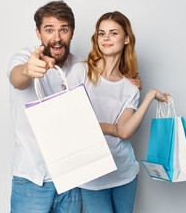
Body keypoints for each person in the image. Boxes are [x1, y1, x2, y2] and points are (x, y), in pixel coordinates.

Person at [7, 1, 141, 212]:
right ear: (38, 32)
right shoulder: (25, 57)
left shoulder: (81, 67)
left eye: (64, 29)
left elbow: (110, 79)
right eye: (49, 30)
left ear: (72, 32)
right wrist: (27, 71)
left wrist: (132, 78)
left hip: (74, 177)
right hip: (33, 176)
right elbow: (17, 79)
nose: (57, 37)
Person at [67, 11, 169, 213]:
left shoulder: (130, 87)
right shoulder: (81, 72)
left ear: (126, 39)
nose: (106, 38)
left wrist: (148, 97)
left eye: (113, 33)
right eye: (101, 33)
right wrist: (109, 127)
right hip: (91, 174)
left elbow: (123, 132)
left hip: (124, 172)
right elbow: (71, 125)